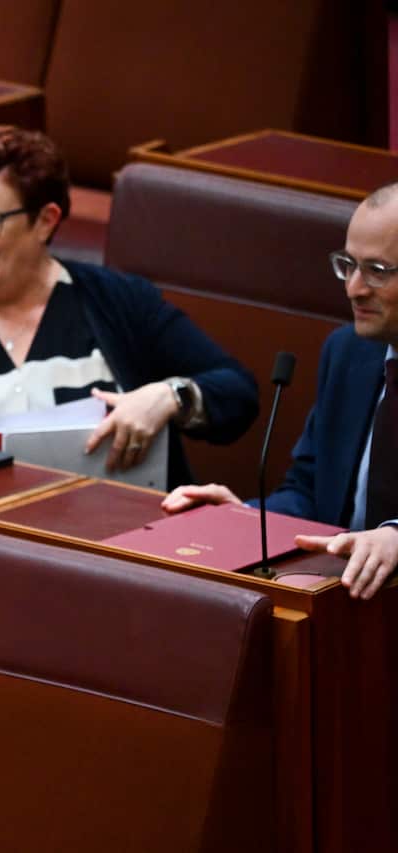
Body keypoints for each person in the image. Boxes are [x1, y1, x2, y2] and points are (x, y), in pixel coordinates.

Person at [0, 125, 257, 487]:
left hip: (121, 544)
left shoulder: (120, 303)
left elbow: (238, 392)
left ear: (45, 220)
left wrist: (169, 396)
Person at [162, 183, 398, 600]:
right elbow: (309, 493)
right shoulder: (348, 353)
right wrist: (249, 519)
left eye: (377, 271)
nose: (353, 288)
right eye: (348, 265)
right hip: (336, 599)